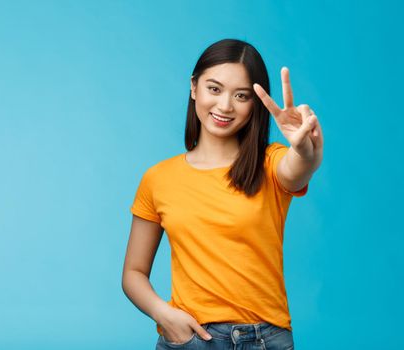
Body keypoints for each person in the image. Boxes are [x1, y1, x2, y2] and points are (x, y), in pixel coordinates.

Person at [122, 38, 323, 349]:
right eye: (214, 89)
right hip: (191, 339)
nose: (225, 106)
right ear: (194, 87)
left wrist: (306, 151)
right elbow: (133, 273)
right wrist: (165, 315)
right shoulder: (158, 178)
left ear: (255, 103)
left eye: (241, 95)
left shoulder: (270, 163)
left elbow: (297, 169)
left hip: (265, 340)